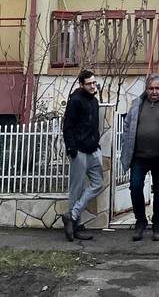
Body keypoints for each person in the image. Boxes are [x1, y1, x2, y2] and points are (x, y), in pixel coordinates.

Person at [119, 73, 159, 242]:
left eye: (157, 88)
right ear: (146, 89)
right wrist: (126, 143)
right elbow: (127, 126)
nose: (154, 92)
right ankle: (140, 221)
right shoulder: (137, 104)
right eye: (151, 88)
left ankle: (157, 225)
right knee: (135, 187)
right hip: (139, 157)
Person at [61, 69, 103, 241]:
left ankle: (72, 215)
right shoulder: (76, 101)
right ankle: (76, 225)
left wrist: (96, 144)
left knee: (97, 183)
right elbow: (68, 126)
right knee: (76, 188)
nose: (93, 86)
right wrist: (72, 148)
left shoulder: (94, 101)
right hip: (79, 151)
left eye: (94, 83)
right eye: (89, 84)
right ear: (81, 85)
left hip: (93, 150)